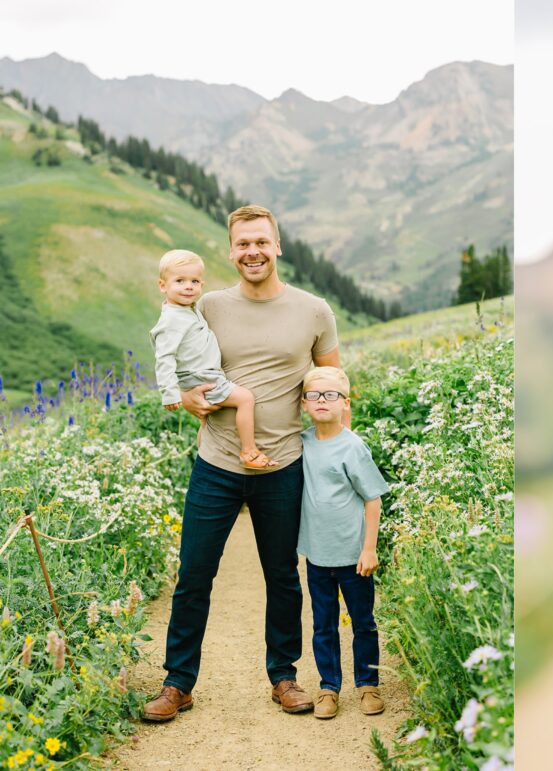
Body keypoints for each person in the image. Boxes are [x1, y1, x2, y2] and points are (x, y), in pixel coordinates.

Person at [143, 204, 341, 722]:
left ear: (277, 246)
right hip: (216, 463)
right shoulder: (205, 304)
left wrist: (332, 446)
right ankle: (178, 683)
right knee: (194, 574)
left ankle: (285, 677)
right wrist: (186, 398)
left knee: (282, 575)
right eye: (242, 244)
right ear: (231, 251)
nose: (252, 252)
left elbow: (333, 382)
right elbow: (181, 363)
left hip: (284, 466)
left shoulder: (313, 310)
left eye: (261, 242)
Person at [297, 366, 390, 720]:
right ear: (304, 403)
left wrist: (369, 548)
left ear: (345, 403)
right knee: (323, 624)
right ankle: (328, 687)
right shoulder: (301, 443)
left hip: (353, 555)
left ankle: (367, 684)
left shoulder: (353, 447)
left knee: (363, 620)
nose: (322, 401)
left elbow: (372, 499)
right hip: (318, 555)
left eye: (330, 395)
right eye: (314, 395)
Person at [150, 249, 276, 469]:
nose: (189, 286)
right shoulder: (172, 320)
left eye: (195, 281)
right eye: (180, 281)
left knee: (206, 423)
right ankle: (248, 451)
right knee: (245, 399)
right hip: (202, 377)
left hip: (200, 375)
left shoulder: (184, 310)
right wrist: (170, 393)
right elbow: (164, 357)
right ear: (163, 286)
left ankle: (205, 457)